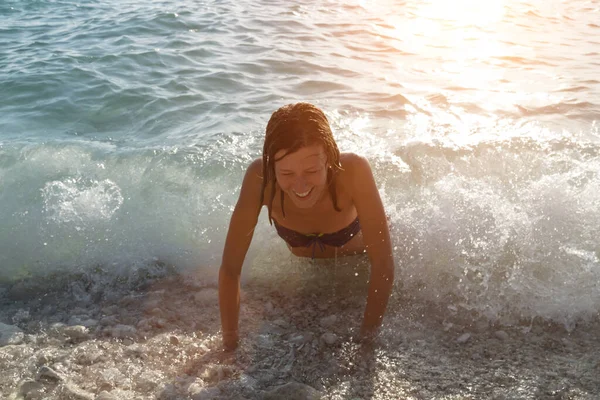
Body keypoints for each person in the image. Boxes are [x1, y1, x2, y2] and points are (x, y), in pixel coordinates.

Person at [218, 102, 395, 351]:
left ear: (330, 159)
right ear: (272, 166)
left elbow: (383, 265)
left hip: (359, 269)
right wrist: (230, 344)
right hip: (310, 277)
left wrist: (366, 340)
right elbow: (230, 269)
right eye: (287, 174)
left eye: (311, 170)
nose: (300, 186)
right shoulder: (260, 179)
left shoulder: (353, 171)